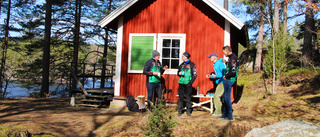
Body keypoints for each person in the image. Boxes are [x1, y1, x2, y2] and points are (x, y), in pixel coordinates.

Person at [218, 46, 239, 121]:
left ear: (227, 51)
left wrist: (225, 76)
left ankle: (229, 116)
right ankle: (224, 114)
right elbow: (231, 67)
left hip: (229, 79)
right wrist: (226, 62)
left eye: (224, 52)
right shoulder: (231, 58)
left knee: (227, 98)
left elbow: (233, 71)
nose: (224, 54)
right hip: (228, 79)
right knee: (224, 97)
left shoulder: (233, 58)